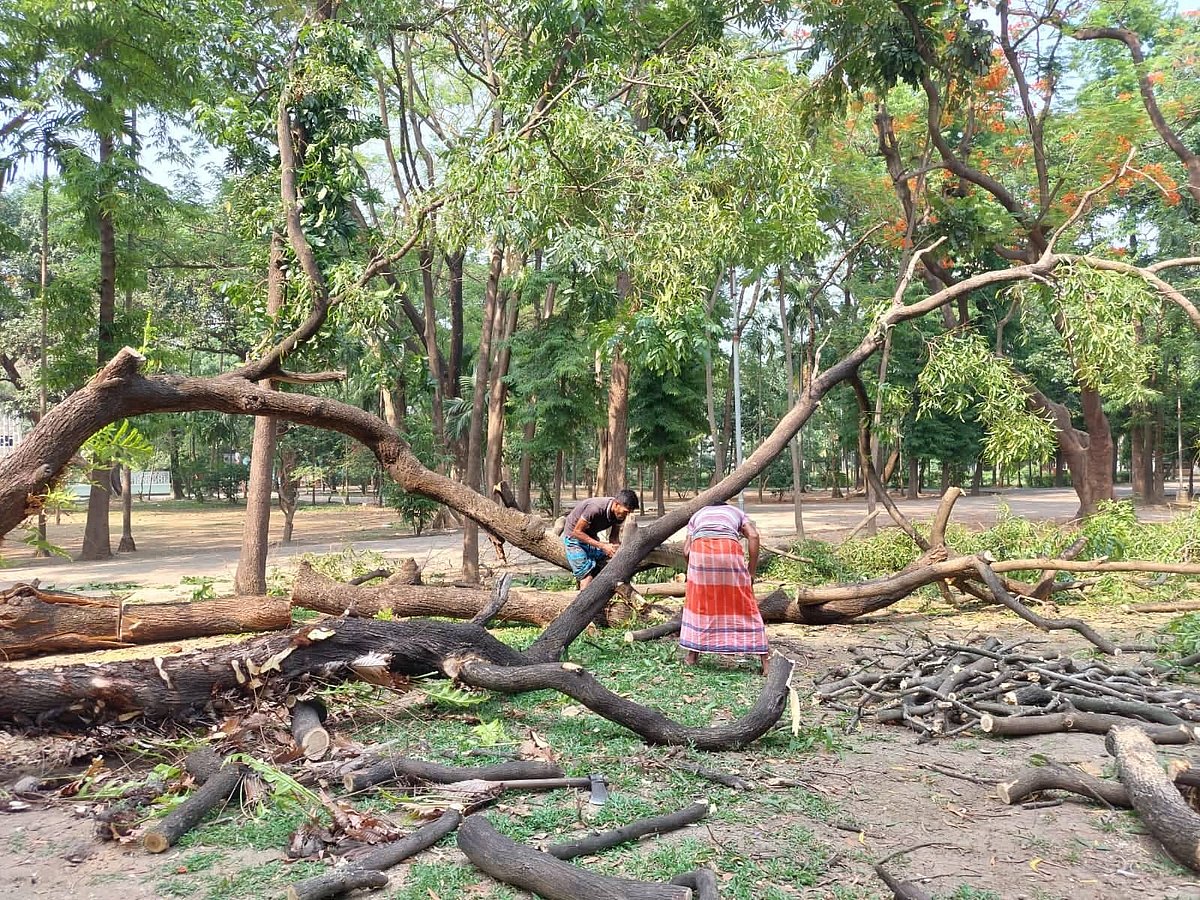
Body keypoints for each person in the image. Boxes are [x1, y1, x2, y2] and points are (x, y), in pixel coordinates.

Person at [680, 503, 769, 674]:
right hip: (728, 551)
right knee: (744, 603)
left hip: (700, 552)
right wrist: (751, 571)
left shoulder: (698, 514)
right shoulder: (737, 512)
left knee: (700, 605)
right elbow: (754, 536)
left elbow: (686, 551)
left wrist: (695, 573)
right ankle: (766, 661)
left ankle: (692, 656)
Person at [562, 489, 640, 589]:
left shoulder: (619, 515)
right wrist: (603, 546)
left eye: (629, 513)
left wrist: (618, 551)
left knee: (603, 566)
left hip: (590, 538)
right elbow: (577, 532)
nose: (626, 515)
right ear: (616, 504)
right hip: (574, 538)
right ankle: (583, 603)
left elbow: (613, 537)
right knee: (587, 575)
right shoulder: (595, 508)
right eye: (625, 512)